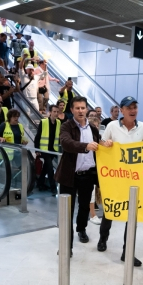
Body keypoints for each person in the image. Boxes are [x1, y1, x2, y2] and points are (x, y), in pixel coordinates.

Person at [98, 97, 143, 266]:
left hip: (134, 179)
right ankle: (102, 239)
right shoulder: (112, 126)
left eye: (135, 107)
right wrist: (105, 144)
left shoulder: (142, 127)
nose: (133, 110)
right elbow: (101, 144)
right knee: (110, 211)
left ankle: (126, 252)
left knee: (132, 217)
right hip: (115, 178)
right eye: (129, 107)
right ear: (121, 110)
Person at [54, 96, 101, 257]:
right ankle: (66, 246)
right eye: (77, 108)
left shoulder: (93, 129)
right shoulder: (67, 126)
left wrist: (104, 144)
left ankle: (81, 229)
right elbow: (66, 143)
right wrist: (85, 146)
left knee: (84, 207)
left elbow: (99, 146)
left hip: (88, 176)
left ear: (87, 109)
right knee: (67, 211)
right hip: (69, 176)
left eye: (83, 108)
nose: (81, 111)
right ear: (72, 110)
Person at [35, 104, 61, 195]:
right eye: (54, 111)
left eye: (57, 112)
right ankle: (53, 188)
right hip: (44, 149)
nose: (56, 113)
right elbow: (37, 136)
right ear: (50, 112)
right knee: (50, 168)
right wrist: (37, 149)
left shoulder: (58, 122)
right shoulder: (44, 122)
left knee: (45, 168)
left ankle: (40, 184)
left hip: (53, 149)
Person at [87, 111, 102, 225]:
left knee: (94, 192)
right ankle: (92, 215)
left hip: (98, 168)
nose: (96, 128)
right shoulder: (87, 140)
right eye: (94, 126)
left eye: (98, 126)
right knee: (90, 192)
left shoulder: (100, 139)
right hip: (89, 169)